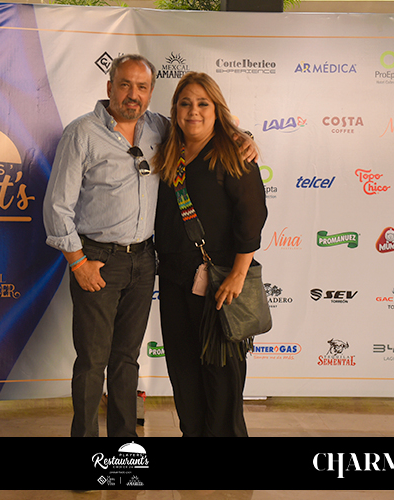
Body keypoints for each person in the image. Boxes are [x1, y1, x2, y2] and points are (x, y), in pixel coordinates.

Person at [43, 54, 168, 437]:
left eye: (142, 87)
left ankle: (123, 447)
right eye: (125, 84)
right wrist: (78, 263)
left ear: (150, 92)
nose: (133, 94)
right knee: (92, 362)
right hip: (97, 260)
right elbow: (57, 206)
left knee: (126, 360)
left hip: (144, 261)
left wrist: (242, 139)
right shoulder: (81, 133)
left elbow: (206, 130)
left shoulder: (159, 128)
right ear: (110, 87)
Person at [153, 72, 268, 437]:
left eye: (203, 104)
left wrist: (238, 274)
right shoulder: (168, 153)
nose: (194, 111)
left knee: (222, 378)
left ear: (217, 110)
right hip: (174, 282)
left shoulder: (233, 154)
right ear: (175, 110)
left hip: (220, 285)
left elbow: (252, 217)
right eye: (185, 103)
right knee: (184, 375)